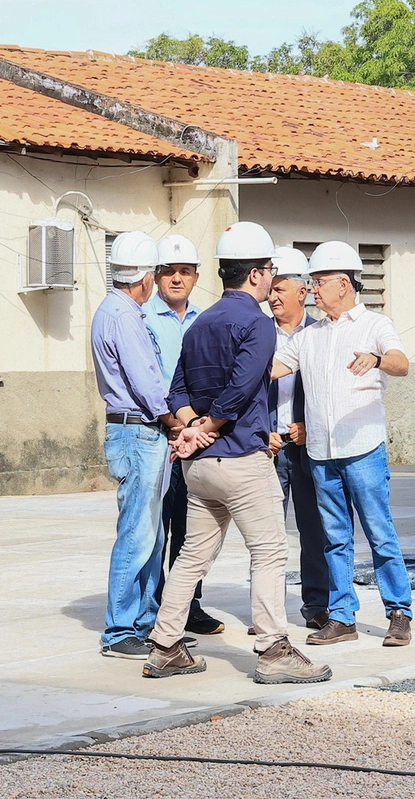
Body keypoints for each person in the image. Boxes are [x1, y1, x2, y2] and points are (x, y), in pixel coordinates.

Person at [144, 221, 331, 685]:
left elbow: (177, 391)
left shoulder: (200, 322)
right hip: (241, 460)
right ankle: (274, 649)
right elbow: (241, 388)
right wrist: (207, 426)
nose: (272, 279)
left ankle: (165, 645)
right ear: (254, 275)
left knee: (191, 555)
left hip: (200, 466)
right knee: (269, 551)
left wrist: (190, 430)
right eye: (269, 270)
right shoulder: (257, 325)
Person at [272, 240, 414, 647]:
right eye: (312, 282)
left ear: (344, 284)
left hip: (363, 449)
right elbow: (276, 367)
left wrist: (377, 359)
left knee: (379, 533)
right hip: (321, 454)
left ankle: (399, 612)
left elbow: (401, 363)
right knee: (334, 538)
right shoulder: (309, 336)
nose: (313, 289)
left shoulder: (375, 325)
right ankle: (342, 616)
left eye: (319, 282)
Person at [90, 231, 179, 659]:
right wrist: (174, 419)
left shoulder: (119, 310)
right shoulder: (124, 316)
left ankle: (144, 620)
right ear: (145, 278)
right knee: (137, 534)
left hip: (140, 432)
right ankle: (120, 628)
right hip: (138, 431)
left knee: (150, 533)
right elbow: (146, 380)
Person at [144, 233, 222, 636]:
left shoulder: (206, 320)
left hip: (196, 436)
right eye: (169, 272)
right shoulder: (143, 318)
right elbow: (149, 381)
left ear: (196, 277)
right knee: (156, 527)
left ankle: (189, 606)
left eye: (185, 272)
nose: (177, 279)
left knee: (192, 528)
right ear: (156, 276)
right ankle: (154, 608)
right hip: (160, 434)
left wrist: (195, 427)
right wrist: (174, 423)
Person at [264, 246, 330, 631]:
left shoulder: (320, 333)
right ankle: (268, 611)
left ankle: (316, 605)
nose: (272, 296)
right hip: (269, 445)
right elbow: (250, 388)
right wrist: (261, 430)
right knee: (268, 534)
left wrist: (311, 424)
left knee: (314, 528)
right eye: (270, 289)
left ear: (302, 292)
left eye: (279, 289)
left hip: (308, 446)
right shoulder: (258, 333)